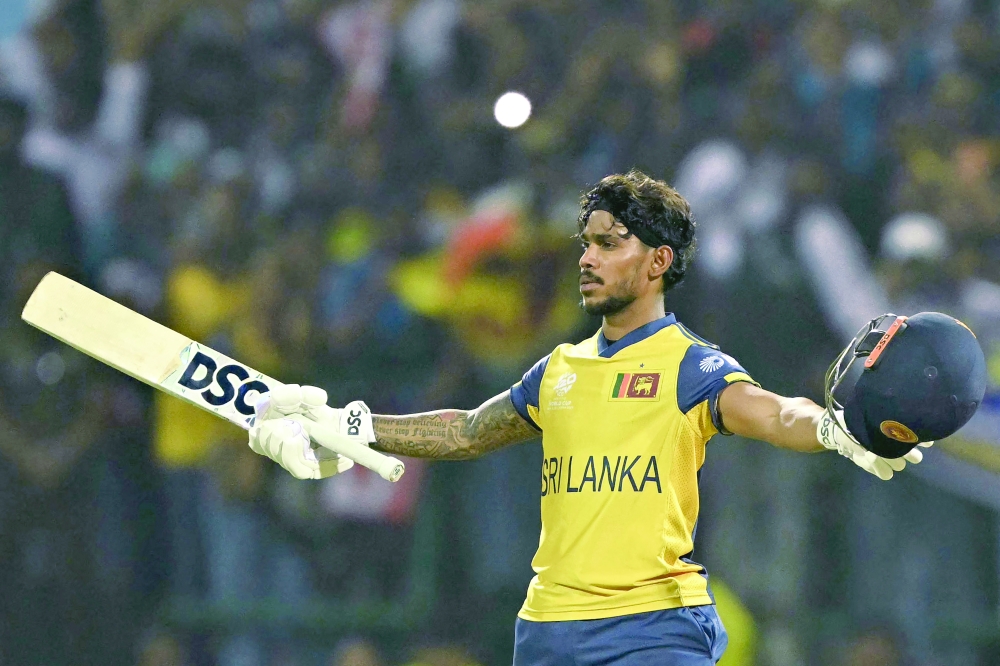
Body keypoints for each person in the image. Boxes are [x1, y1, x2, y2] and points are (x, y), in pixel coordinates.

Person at [247, 170, 932, 665]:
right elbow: (464, 430)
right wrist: (352, 425)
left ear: (658, 262)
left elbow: (774, 412)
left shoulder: (691, 365)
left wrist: (837, 431)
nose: (586, 258)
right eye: (587, 242)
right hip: (550, 631)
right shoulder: (560, 371)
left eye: (610, 244)